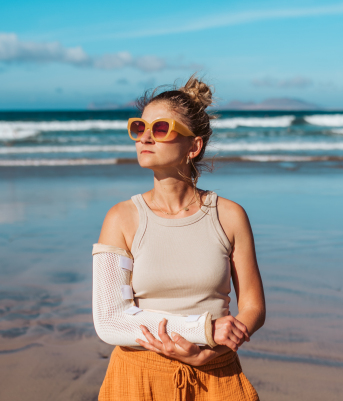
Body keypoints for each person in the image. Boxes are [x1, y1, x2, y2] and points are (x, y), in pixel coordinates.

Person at [94, 74, 265, 401]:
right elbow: (110, 321)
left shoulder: (229, 216)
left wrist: (211, 351)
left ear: (193, 146)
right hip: (137, 376)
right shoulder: (121, 219)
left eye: (160, 129)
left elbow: (254, 307)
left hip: (217, 373)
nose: (144, 138)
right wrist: (201, 330)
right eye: (138, 128)